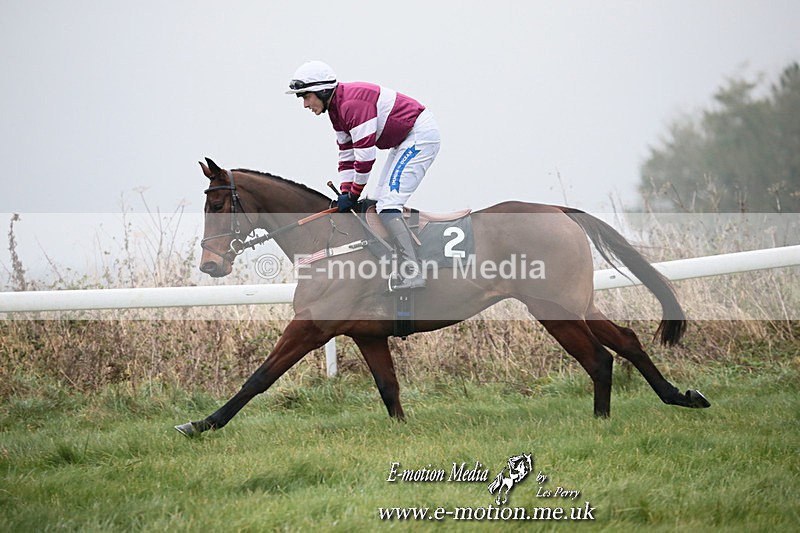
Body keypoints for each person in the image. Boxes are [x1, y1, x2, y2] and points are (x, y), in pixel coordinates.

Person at [286, 60, 440, 290]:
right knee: (379, 205)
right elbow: (346, 155)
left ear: (322, 91)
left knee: (388, 205)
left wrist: (353, 193)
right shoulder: (336, 111)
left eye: (306, 97)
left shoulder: (352, 105)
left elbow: (365, 158)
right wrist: (346, 191)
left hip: (419, 135)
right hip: (404, 140)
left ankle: (413, 271)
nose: (305, 104)